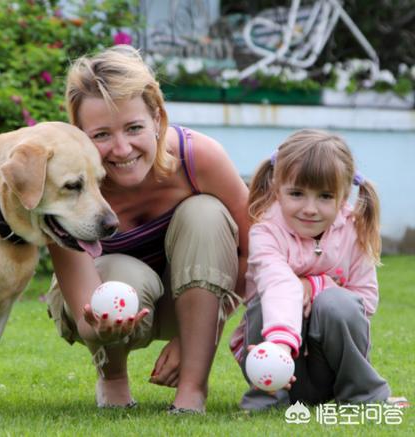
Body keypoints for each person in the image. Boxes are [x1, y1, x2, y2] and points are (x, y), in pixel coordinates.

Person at [45, 45, 250, 414]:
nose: (122, 149)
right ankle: (113, 380)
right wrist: (101, 327)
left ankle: (192, 390)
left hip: (191, 300)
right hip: (104, 302)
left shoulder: (198, 158)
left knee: (205, 213)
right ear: (78, 133)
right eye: (101, 135)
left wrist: (198, 338)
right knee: (122, 273)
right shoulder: (63, 186)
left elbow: (255, 253)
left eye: (134, 127)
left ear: (157, 117)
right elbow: (83, 309)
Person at [229, 129, 397, 410]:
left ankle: (362, 395)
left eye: (325, 197)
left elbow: (365, 301)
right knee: (264, 302)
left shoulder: (353, 232)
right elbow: (277, 283)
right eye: (296, 193)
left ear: (343, 197)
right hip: (274, 358)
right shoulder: (267, 232)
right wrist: (280, 345)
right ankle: (267, 400)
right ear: (277, 190)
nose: (310, 208)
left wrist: (316, 287)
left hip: (326, 367)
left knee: (337, 303)